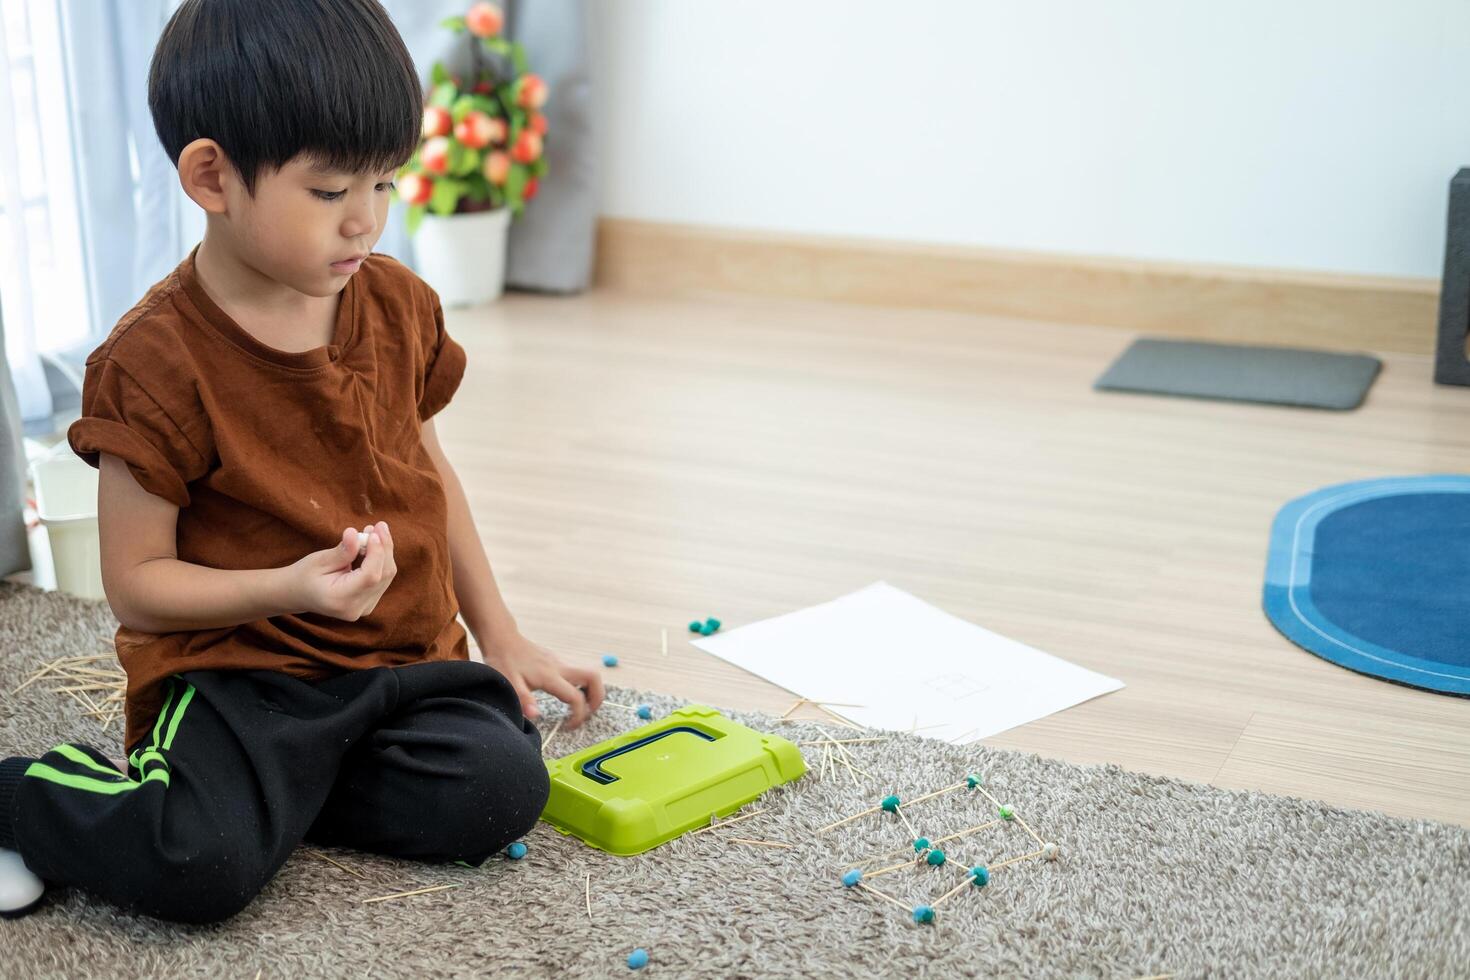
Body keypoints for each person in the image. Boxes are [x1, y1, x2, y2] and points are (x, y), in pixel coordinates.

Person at [0, 0, 603, 922]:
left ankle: (272, 800)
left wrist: (503, 636)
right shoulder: (153, 364)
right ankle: (29, 797)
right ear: (212, 176)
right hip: (239, 676)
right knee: (198, 868)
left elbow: (431, 477)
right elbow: (136, 587)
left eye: (386, 184)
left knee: (498, 789)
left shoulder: (398, 305)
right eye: (329, 193)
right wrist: (288, 588)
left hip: (397, 666)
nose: (366, 223)